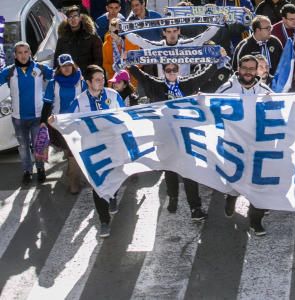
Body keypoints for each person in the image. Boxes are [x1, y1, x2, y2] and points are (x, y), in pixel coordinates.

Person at [127, 59, 228, 220]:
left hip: (186, 135)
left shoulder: (187, 84)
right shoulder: (156, 84)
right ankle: (173, 197)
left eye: (174, 70)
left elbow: (205, 74)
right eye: (168, 70)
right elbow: (140, 75)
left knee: (190, 171)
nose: (172, 73)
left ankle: (195, 208)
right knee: (170, 169)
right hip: (165, 135)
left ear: (178, 70)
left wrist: (217, 61)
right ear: (163, 71)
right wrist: (128, 62)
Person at [66, 65, 124, 238]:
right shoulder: (79, 101)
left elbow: (125, 116)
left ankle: (113, 195)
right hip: (92, 150)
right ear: (88, 82)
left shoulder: (113, 96)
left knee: (113, 178)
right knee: (98, 185)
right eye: (97, 79)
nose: (101, 82)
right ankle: (104, 221)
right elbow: (68, 121)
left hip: (113, 146)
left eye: (102, 78)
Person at [217, 55, 271, 236]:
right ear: (239, 68)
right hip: (233, 145)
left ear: (257, 71)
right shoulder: (225, 89)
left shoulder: (265, 90)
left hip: (257, 145)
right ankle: (231, 197)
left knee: (258, 184)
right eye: (245, 68)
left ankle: (255, 221)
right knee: (235, 179)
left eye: (251, 68)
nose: (248, 72)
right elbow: (212, 109)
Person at [0, 41, 53, 185]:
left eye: (25, 52)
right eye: (19, 53)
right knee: (23, 147)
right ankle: (27, 171)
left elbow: (58, 78)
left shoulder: (41, 68)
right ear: (15, 55)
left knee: (39, 146)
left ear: (30, 53)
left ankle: (41, 169)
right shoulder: (9, 71)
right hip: (18, 118)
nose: (23, 55)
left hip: (37, 116)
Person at [40, 53, 85, 193]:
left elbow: (87, 101)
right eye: (63, 66)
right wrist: (42, 122)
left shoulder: (82, 82)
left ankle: (74, 183)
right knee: (69, 151)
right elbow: (47, 104)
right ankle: (72, 174)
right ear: (59, 68)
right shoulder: (53, 83)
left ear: (73, 65)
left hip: (77, 122)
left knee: (73, 151)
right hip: (59, 123)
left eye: (69, 65)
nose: (66, 68)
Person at [54, 6, 103, 77]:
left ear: (80, 18)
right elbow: (57, 58)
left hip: (87, 75)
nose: (73, 19)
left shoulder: (90, 35)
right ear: (67, 20)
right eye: (70, 17)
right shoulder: (63, 37)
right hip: (69, 76)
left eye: (75, 16)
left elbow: (98, 58)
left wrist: (92, 74)